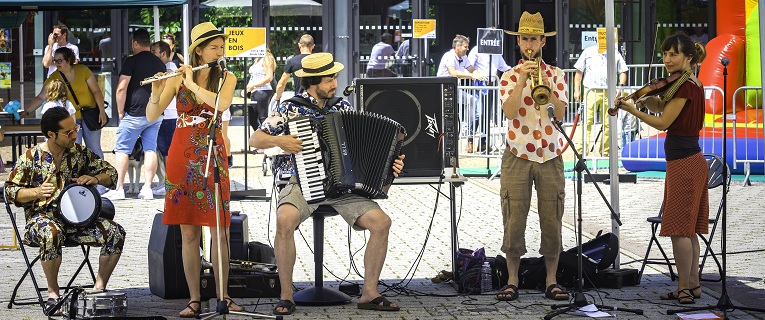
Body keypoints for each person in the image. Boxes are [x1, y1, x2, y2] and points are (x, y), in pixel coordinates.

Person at [248, 52, 405, 316]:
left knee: (382, 222)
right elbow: (256, 139)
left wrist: (391, 165)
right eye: (329, 79)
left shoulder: (342, 108)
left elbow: (366, 148)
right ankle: (286, 295)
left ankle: (369, 293)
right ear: (312, 82)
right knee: (284, 220)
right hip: (301, 181)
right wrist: (281, 141)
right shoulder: (289, 108)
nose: (334, 83)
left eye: (334, 77)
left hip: (341, 188)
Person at [146, 22, 241, 318]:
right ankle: (194, 299)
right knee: (188, 233)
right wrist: (158, 89)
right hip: (181, 154)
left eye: (221, 47)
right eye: (214, 47)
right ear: (199, 50)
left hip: (212, 153)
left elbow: (220, 104)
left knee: (220, 230)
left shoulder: (227, 77)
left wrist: (191, 83)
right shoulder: (179, 76)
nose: (219, 51)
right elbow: (151, 114)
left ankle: (223, 295)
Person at [614, 33, 707, 304]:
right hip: (688, 160)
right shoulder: (687, 84)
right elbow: (663, 107)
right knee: (688, 230)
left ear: (688, 58)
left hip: (685, 163)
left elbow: (663, 122)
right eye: (665, 54)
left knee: (680, 230)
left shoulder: (686, 86)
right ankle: (693, 285)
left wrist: (631, 109)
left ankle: (685, 288)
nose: (667, 59)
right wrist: (645, 101)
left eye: (673, 54)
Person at [4, 107, 125, 314]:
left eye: (75, 128)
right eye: (69, 132)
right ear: (51, 134)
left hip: (77, 222)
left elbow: (111, 174)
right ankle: (53, 294)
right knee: (52, 233)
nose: (75, 135)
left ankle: (98, 289)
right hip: (41, 221)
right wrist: (36, 192)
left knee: (115, 232)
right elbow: (10, 191)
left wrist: (95, 179)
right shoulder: (31, 157)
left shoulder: (79, 153)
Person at [496, 11, 570, 302]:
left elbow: (561, 113)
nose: (529, 43)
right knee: (514, 216)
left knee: (552, 216)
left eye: (533, 39)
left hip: (550, 153)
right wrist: (522, 81)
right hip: (518, 152)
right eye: (524, 38)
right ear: (519, 42)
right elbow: (510, 112)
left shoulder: (557, 75)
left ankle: (552, 280)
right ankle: (512, 279)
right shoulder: (508, 76)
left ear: (542, 42)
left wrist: (545, 87)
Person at [103, 29, 166, 201]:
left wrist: (120, 111)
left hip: (135, 112)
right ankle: (147, 189)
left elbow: (122, 88)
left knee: (122, 149)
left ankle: (119, 189)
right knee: (150, 149)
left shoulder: (131, 61)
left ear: (135, 43)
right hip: (155, 113)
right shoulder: (159, 63)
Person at [23, 47, 107, 159]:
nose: (56, 63)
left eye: (59, 60)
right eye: (55, 60)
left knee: (94, 148)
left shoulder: (82, 70)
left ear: (68, 60)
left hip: (90, 115)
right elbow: (41, 97)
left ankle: (100, 173)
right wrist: (27, 112)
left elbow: (96, 91)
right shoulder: (54, 77)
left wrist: (102, 111)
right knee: (73, 149)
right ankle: (76, 174)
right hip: (70, 119)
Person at [573, 40, 628, 157]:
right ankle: (582, 151)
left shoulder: (615, 53)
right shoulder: (588, 52)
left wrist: (620, 86)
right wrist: (576, 90)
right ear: (597, 40)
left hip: (609, 91)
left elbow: (623, 71)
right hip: (591, 90)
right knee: (586, 121)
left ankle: (606, 151)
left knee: (609, 122)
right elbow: (579, 72)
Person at [437, 34, 486, 153]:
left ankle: (465, 126)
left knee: (472, 101)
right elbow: (453, 72)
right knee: (445, 115)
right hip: (442, 89)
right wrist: (471, 75)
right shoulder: (449, 56)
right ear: (457, 46)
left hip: (454, 88)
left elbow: (471, 69)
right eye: (465, 46)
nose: (467, 49)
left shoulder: (464, 57)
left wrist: (478, 73)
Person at [467, 33, 512, 153]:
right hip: (480, 85)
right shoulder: (477, 49)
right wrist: (476, 73)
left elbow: (502, 66)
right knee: (479, 113)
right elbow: (469, 64)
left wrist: (515, 70)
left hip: (492, 85)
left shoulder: (497, 51)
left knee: (487, 115)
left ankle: (483, 142)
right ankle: (470, 140)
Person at [150, 40, 178, 196]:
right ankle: (166, 182)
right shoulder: (166, 68)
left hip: (169, 116)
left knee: (167, 152)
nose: (152, 55)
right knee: (163, 151)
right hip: (165, 115)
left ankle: (169, 185)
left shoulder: (169, 69)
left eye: (154, 52)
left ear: (164, 54)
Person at [273, 34, 314, 102]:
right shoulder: (317, 61)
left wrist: (277, 97)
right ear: (313, 46)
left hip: (300, 100)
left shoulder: (292, 61)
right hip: (317, 100)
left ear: (299, 45)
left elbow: (282, 83)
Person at [244, 48, 276, 132]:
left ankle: (266, 137)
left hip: (263, 90)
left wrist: (254, 85)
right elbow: (253, 77)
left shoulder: (267, 58)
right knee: (252, 118)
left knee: (262, 117)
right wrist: (248, 88)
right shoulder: (257, 59)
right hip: (254, 91)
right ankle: (260, 136)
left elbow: (269, 77)